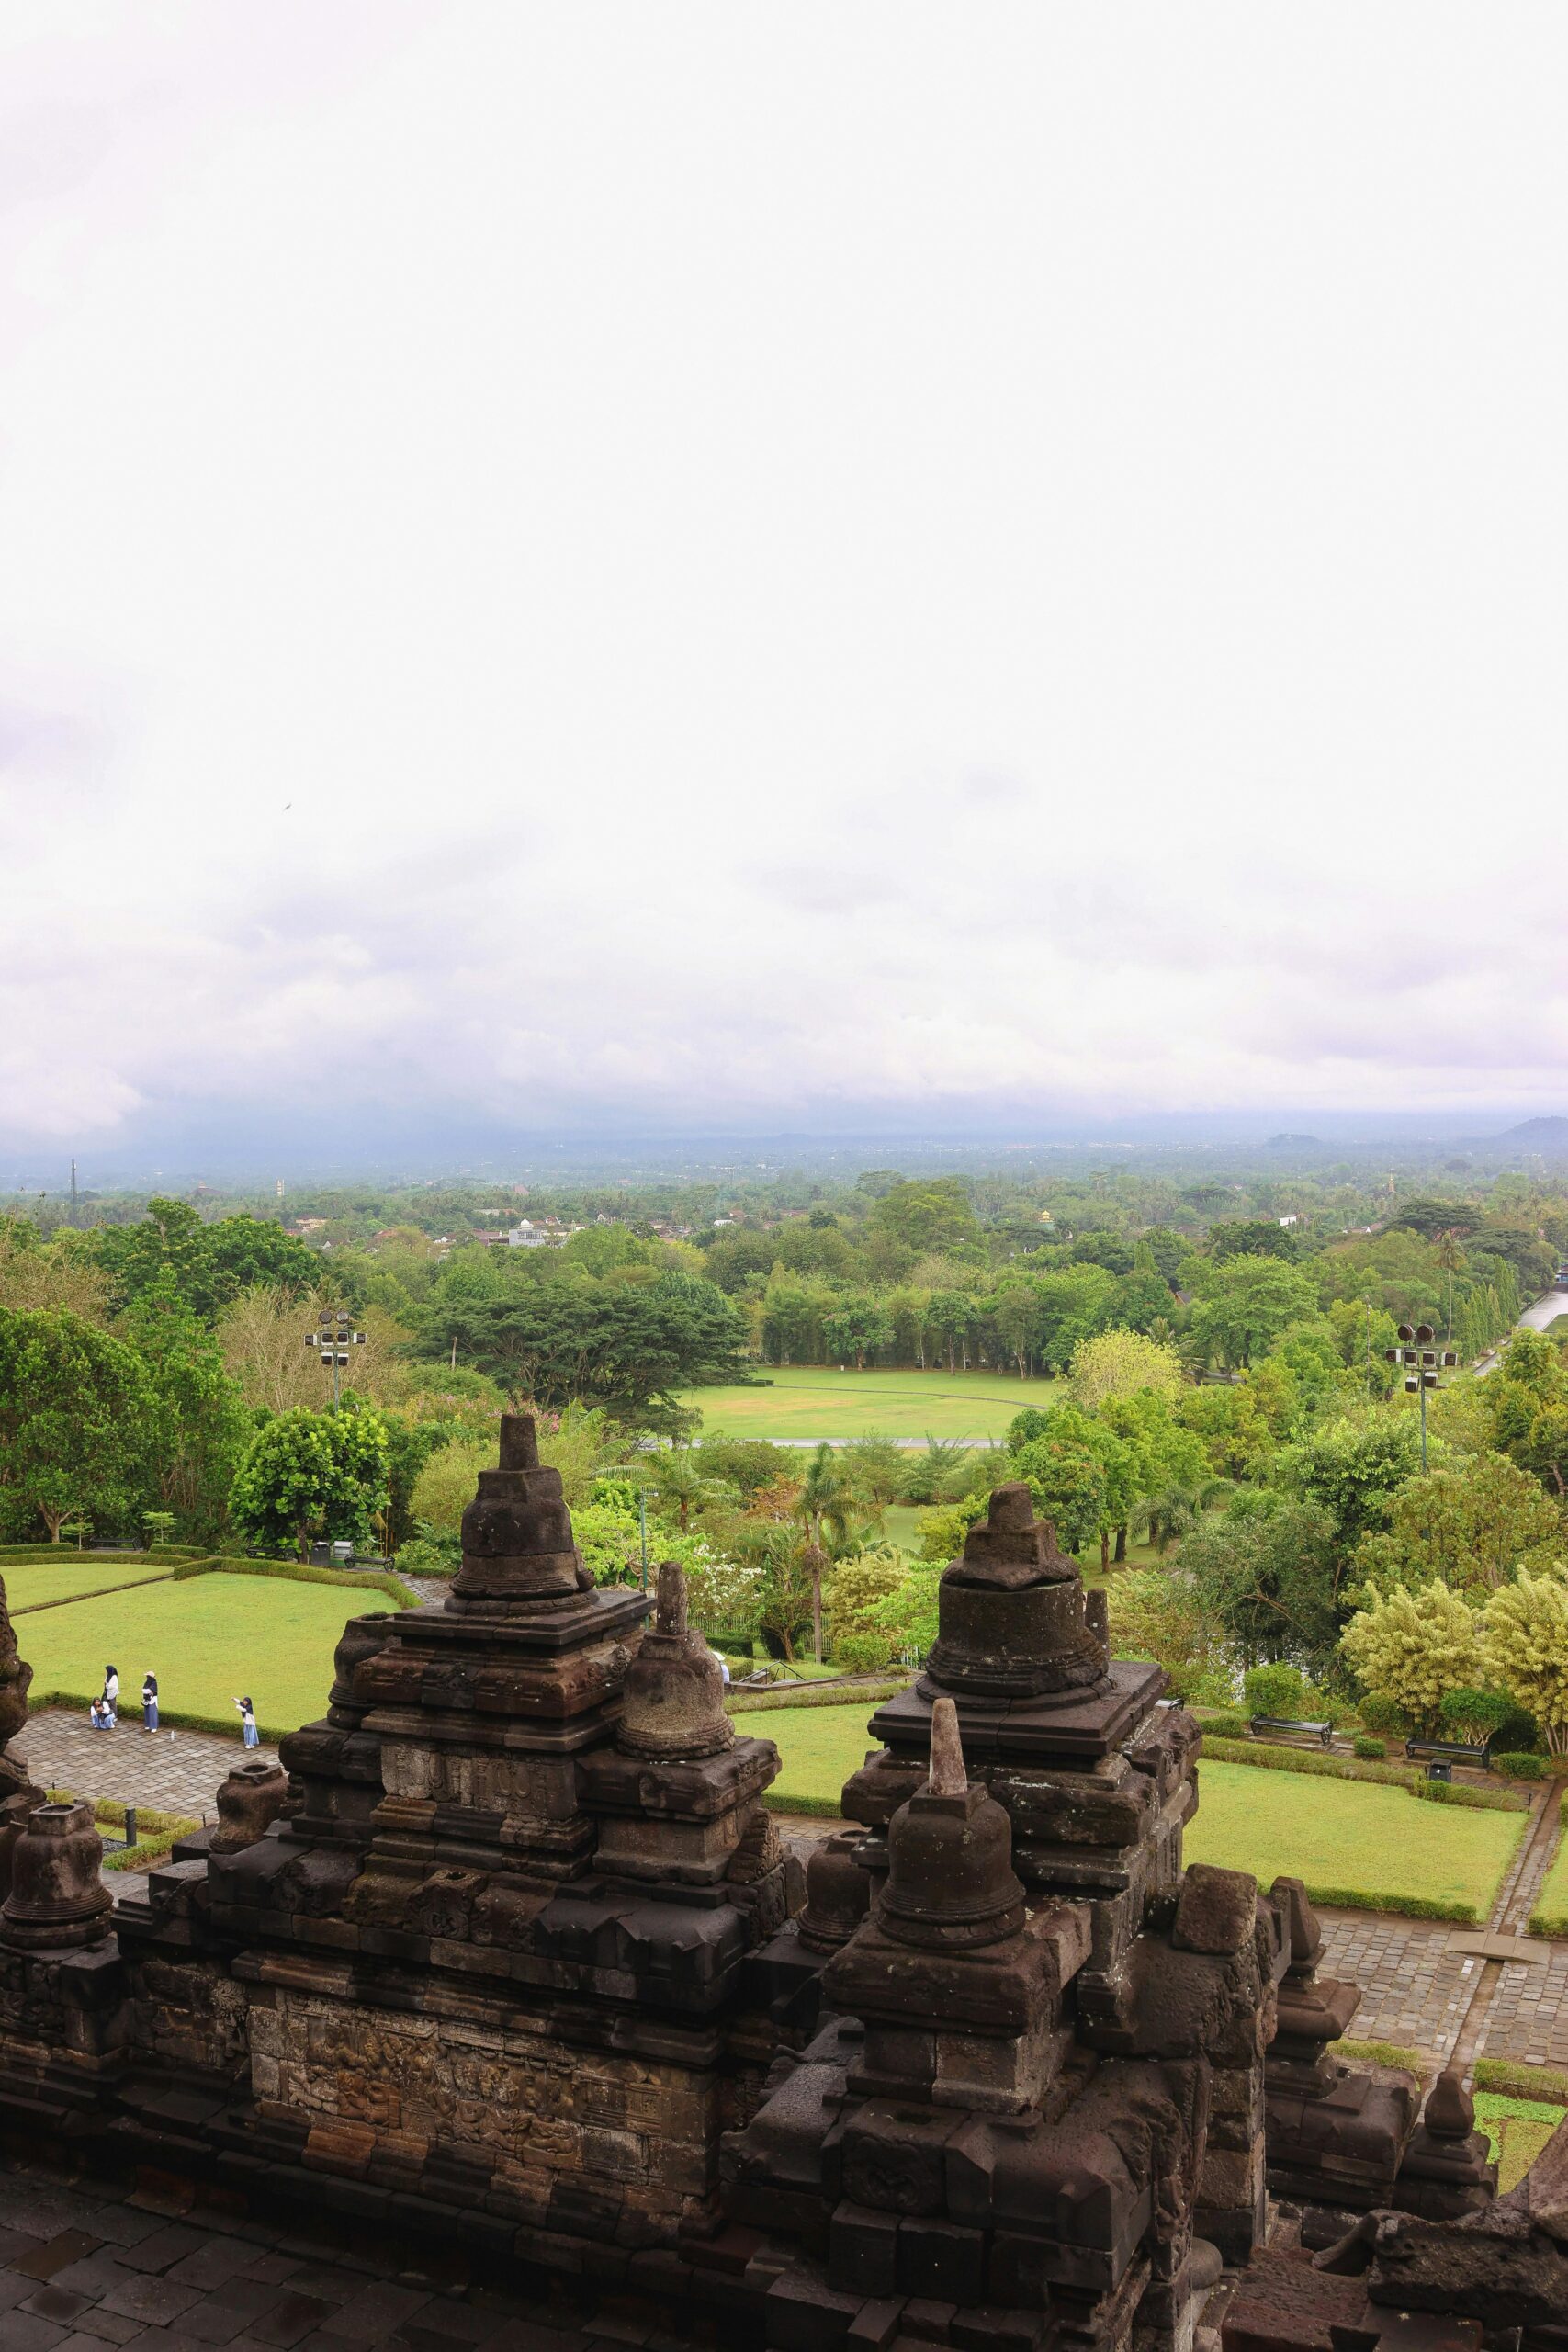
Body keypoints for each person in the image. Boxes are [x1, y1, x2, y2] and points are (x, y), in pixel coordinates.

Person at [141, 1671, 159, 1735]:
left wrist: (146, 1691)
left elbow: (149, 1690)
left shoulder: (154, 1683)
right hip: (146, 1700)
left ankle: (154, 1727)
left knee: (152, 1713)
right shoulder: (147, 1682)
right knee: (147, 1713)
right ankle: (147, 1725)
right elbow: (143, 1690)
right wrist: (146, 1691)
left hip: (152, 1700)